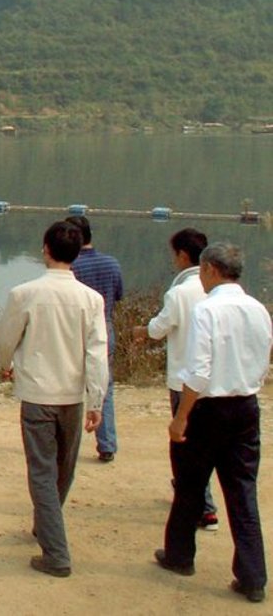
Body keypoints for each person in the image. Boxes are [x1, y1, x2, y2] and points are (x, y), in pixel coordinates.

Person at [155, 242, 271, 604]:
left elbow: (199, 371)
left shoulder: (208, 310)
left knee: (190, 485)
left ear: (209, 270)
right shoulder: (258, 310)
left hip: (209, 409)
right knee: (242, 492)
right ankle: (253, 576)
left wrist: (181, 416)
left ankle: (179, 555)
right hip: (246, 406)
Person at [0, 220, 109, 578]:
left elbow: (4, 339)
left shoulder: (25, 293)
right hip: (73, 396)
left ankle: (55, 551)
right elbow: (97, 353)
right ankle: (48, 523)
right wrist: (96, 401)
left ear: (45, 249)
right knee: (63, 467)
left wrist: (6, 363)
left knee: (42, 470)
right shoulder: (91, 299)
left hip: (37, 393)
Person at [131, 228, 217, 531]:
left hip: (183, 379)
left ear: (182, 255)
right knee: (203, 444)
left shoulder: (181, 291)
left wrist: (140, 331)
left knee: (185, 445)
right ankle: (202, 502)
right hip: (213, 382)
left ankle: (202, 506)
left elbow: (159, 328)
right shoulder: (216, 287)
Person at [65, 215, 123, 463]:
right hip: (105, 327)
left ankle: (65, 441)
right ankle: (106, 443)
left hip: (75, 330)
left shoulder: (71, 268)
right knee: (103, 386)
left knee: (67, 388)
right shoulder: (111, 263)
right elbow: (118, 296)